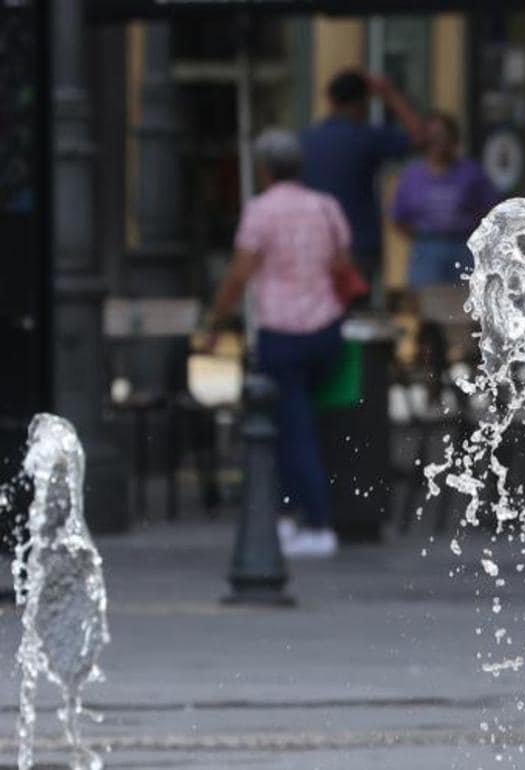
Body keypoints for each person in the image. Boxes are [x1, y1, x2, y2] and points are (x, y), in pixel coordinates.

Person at [203, 129, 351, 559]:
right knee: (295, 423)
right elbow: (343, 263)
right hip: (326, 329)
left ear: (264, 169)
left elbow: (239, 273)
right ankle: (286, 515)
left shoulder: (260, 212)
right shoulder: (326, 207)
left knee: (292, 428)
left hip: (282, 332)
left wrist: (216, 322)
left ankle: (318, 523)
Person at [301, 70, 426, 294]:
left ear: (330, 101)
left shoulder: (308, 140)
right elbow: (421, 137)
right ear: (363, 102)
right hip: (359, 243)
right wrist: (391, 95)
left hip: (314, 243)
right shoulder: (366, 137)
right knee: (357, 319)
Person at [390, 113, 500, 288]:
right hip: (426, 248)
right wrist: (424, 238)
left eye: (442, 136)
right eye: (431, 137)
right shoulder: (412, 175)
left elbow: (492, 212)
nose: (437, 142)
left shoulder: (471, 173)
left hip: (463, 247)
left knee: (464, 305)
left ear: (454, 140)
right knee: (426, 305)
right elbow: (398, 217)